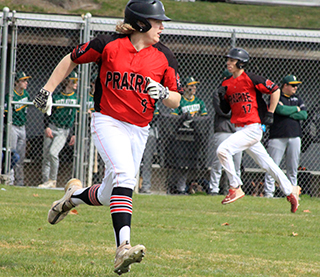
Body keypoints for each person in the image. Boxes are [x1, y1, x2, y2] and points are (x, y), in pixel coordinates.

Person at [33, 0, 182, 275]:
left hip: (139, 129)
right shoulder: (109, 44)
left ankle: (70, 198)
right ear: (140, 23)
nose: (162, 26)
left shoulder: (164, 55)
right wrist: (47, 90)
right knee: (125, 176)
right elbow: (71, 58)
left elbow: (176, 98)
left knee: (108, 192)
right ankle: (122, 248)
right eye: (157, 21)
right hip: (107, 121)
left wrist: (162, 93)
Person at [216, 47, 301, 213]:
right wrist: (222, 98)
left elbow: (275, 89)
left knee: (223, 150)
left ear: (241, 63)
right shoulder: (227, 83)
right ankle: (291, 190)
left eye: (232, 60)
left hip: (252, 127)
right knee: (267, 163)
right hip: (240, 129)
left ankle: (235, 187)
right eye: (229, 60)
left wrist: (270, 112)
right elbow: (226, 108)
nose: (229, 63)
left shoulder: (251, 78)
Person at [264, 75, 307, 198]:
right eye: (293, 85)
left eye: (296, 85)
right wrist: (295, 109)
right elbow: (280, 110)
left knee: (293, 168)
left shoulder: (298, 98)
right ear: (285, 85)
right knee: (273, 166)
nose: (295, 88)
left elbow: (304, 115)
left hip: (295, 136)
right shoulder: (277, 96)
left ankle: (292, 193)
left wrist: (289, 112)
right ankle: (269, 193)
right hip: (277, 136)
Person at [38, 71, 78, 189]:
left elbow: (77, 118)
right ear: (67, 82)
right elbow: (47, 113)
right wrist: (47, 127)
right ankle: (46, 181)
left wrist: (74, 133)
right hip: (52, 127)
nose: (75, 84)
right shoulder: (56, 96)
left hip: (63, 131)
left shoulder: (76, 98)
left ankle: (53, 180)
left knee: (53, 153)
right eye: (73, 81)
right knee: (46, 155)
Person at [167, 76, 208, 194]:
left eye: (195, 86)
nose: (194, 88)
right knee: (179, 162)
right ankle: (177, 187)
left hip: (194, 137)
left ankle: (182, 187)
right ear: (184, 88)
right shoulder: (180, 101)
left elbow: (204, 117)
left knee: (189, 163)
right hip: (181, 136)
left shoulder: (199, 101)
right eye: (191, 86)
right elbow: (173, 117)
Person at [208, 69, 242, 196]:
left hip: (237, 131)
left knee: (236, 163)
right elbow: (223, 111)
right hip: (223, 130)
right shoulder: (218, 93)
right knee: (219, 162)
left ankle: (235, 189)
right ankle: (214, 189)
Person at [4, 71, 31, 186]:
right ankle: (9, 180)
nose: (26, 83)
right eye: (23, 80)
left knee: (21, 157)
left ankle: (19, 182)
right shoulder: (10, 95)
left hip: (22, 127)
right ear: (16, 83)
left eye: (26, 80)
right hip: (13, 126)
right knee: (12, 154)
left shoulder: (26, 95)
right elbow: (5, 114)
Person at [139, 104, 159, 194]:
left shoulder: (151, 97)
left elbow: (156, 117)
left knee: (147, 159)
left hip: (148, 129)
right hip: (131, 128)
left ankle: (145, 185)